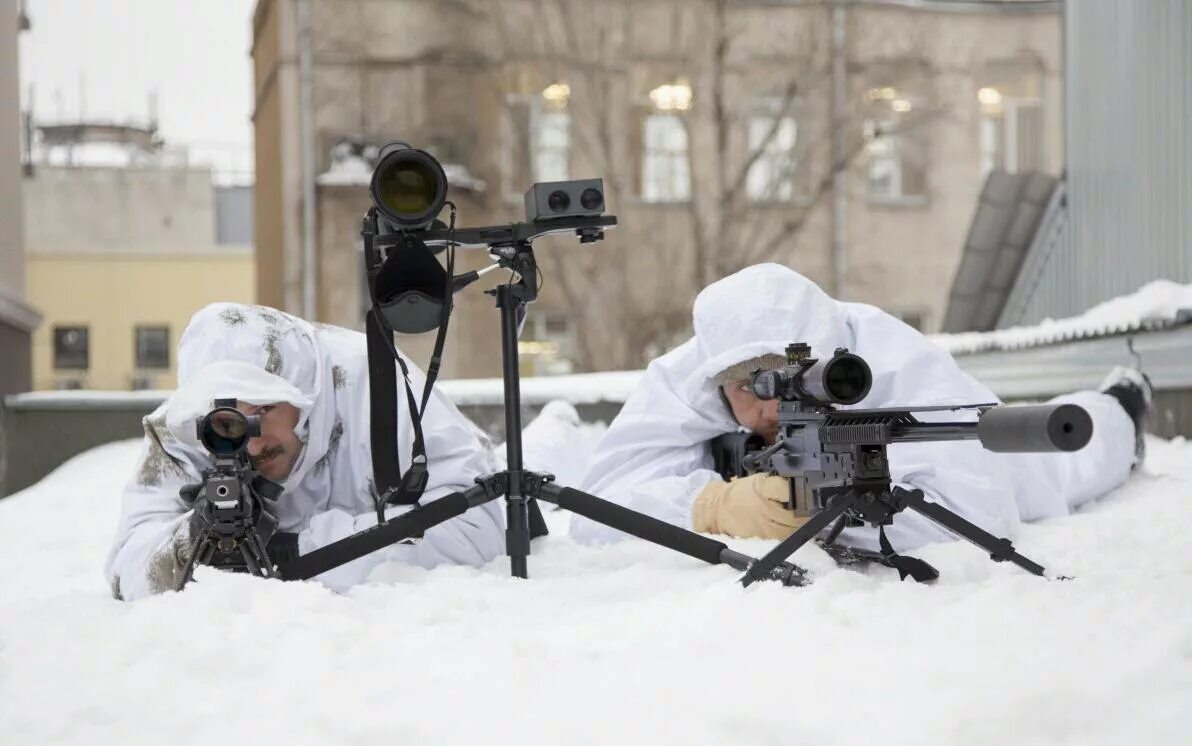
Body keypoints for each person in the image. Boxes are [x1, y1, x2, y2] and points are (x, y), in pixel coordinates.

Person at [570, 264, 1150, 558]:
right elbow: (593, 513)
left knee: (1071, 458)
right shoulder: (688, 374)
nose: (775, 405)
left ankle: (1125, 401)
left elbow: (983, 513)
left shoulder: (892, 357)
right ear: (717, 382)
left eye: (792, 386)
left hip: (1008, 452)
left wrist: (830, 516)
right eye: (752, 389)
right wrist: (716, 506)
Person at [104, 303, 505, 600]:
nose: (254, 441)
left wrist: (293, 552)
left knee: (545, 449)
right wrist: (192, 541)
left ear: (305, 394)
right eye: (230, 424)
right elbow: (127, 566)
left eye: (264, 410)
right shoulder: (187, 424)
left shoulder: (377, 385)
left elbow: (477, 529)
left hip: (481, 456)